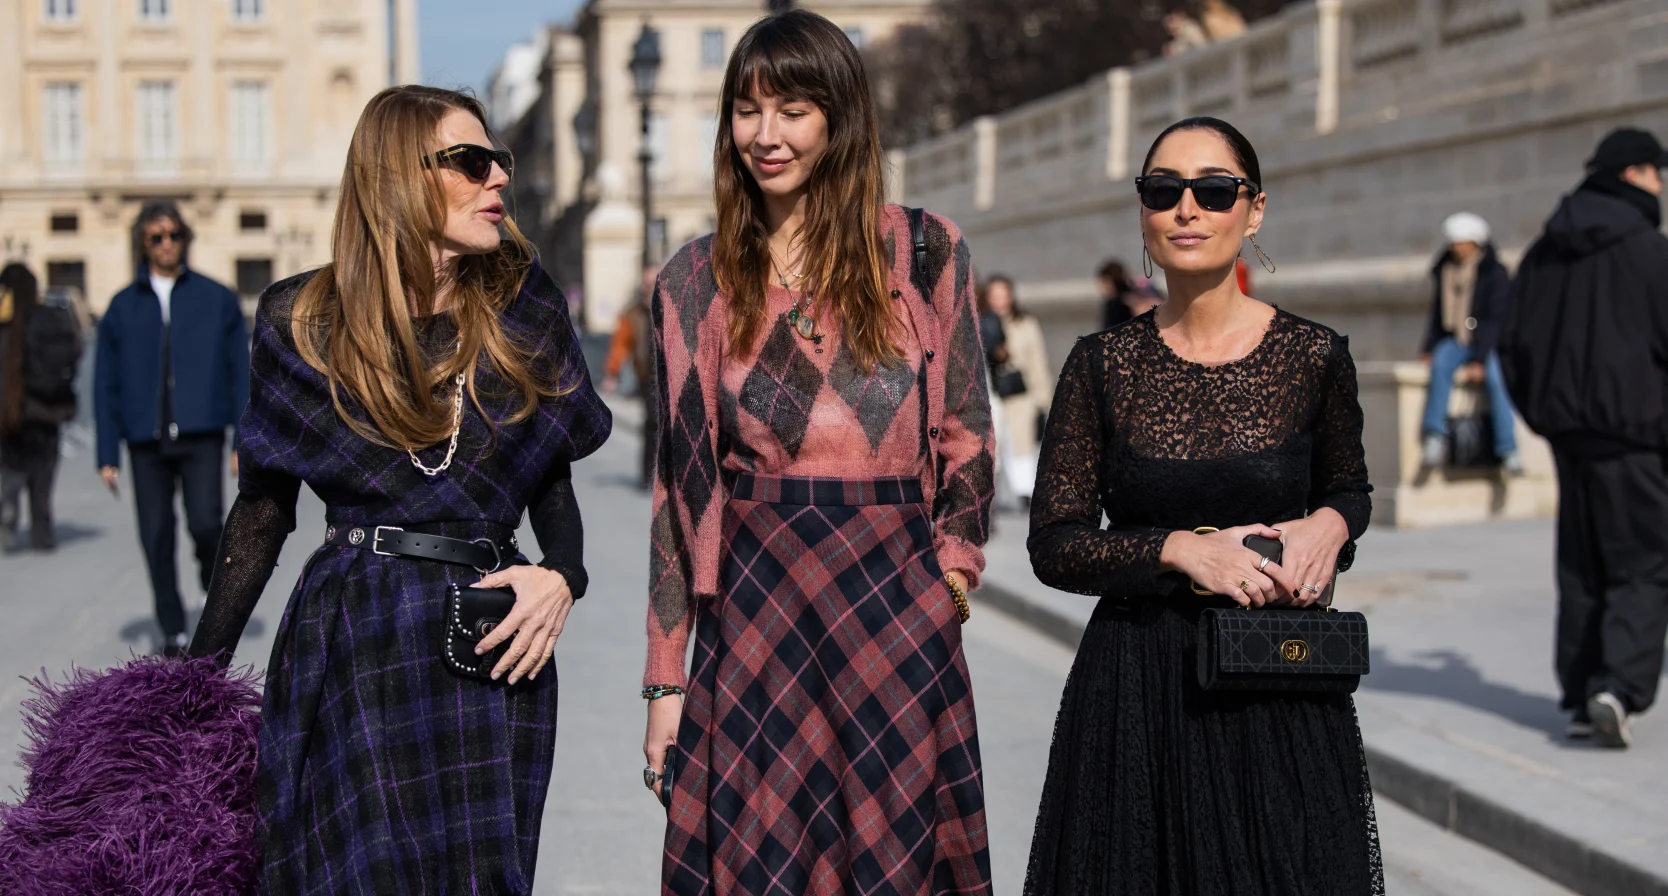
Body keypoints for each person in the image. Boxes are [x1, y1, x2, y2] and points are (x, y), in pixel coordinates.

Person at [184, 86, 612, 892]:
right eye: (472, 162)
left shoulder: (525, 312)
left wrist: (564, 577)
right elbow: (265, 509)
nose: (498, 182)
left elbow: (551, 484)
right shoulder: (302, 319)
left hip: (490, 638)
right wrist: (191, 680)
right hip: (355, 633)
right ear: (398, 176)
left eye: (501, 163)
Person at [641, 10, 995, 894]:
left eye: (794, 108)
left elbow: (967, 432)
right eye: (748, 109)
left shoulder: (923, 250)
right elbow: (680, 491)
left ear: (839, 116)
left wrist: (950, 578)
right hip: (759, 613)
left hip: (897, 607)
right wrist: (664, 680)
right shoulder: (694, 280)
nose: (767, 135)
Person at [1024, 116, 1380, 894]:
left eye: (1214, 191)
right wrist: (1178, 549)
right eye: (1164, 190)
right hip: (1137, 698)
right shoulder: (1100, 363)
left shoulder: (1316, 356)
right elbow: (1054, 542)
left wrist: (1331, 524)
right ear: (1144, 213)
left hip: (1277, 692)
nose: (1187, 208)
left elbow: (1348, 490)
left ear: (1254, 211)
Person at [1498, 127, 1668, 750]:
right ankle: (1618, 688)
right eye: (1657, 172)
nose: (1661, 184)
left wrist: (1545, 417)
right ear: (1634, 174)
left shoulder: (1546, 251)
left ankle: (1579, 694)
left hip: (1571, 438)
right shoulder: (1651, 251)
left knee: (1582, 565)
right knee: (1643, 565)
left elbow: (1511, 345)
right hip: (1636, 439)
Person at [94, 203, 249, 656]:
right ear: (143, 243)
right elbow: (106, 383)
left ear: (185, 238)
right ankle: (172, 629)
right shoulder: (122, 306)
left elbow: (240, 372)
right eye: (156, 236)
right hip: (145, 439)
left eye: (173, 234)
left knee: (206, 525)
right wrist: (106, 453)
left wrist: (244, 440)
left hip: (202, 433)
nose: (166, 244)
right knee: (156, 535)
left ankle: (209, 583)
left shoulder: (216, 298)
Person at [1416, 212, 1520, 473]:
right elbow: (1438, 315)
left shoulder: (1494, 272)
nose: (1458, 248)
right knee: (1440, 365)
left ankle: (1508, 449)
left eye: (1463, 242)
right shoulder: (1445, 270)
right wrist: (1428, 348)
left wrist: (1479, 359)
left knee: (1497, 378)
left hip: (1487, 342)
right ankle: (1434, 437)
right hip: (1456, 339)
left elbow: (1494, 320)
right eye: (1454, 242)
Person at [2, 267, 82, 551]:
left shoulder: (6, 320)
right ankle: (42, 531)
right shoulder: (49, 317)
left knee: (9, 473)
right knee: (42, 479)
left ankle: (8, 520)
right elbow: (74, 351)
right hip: (46, 411)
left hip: (10, 414)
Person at [983, 275, 1052, 502]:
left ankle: (1026, 492)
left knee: (1022, 443)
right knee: (995, 442)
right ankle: (995, 493)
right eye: (995, 295)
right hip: (992, 393)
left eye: (1003, 295)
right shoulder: (980, 323)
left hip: (1021, 393)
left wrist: (1043, 398)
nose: (999, 301)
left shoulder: (1026, 323)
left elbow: (1038, 362)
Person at [603, 264, 660, 489]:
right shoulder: (633, 314)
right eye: (647, 283)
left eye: (654, 282)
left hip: (673, 378)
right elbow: (620, 345)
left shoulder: (673, 307)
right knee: (652, 423)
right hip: (647, 377)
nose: (650, 287)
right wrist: (612, 374)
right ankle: (648, 476)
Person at [1098, 259, 1163, 330]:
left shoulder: (1116, 303)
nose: (1100, 286)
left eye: (1103, 282)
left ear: (1110, 281)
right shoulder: (1133, 295)